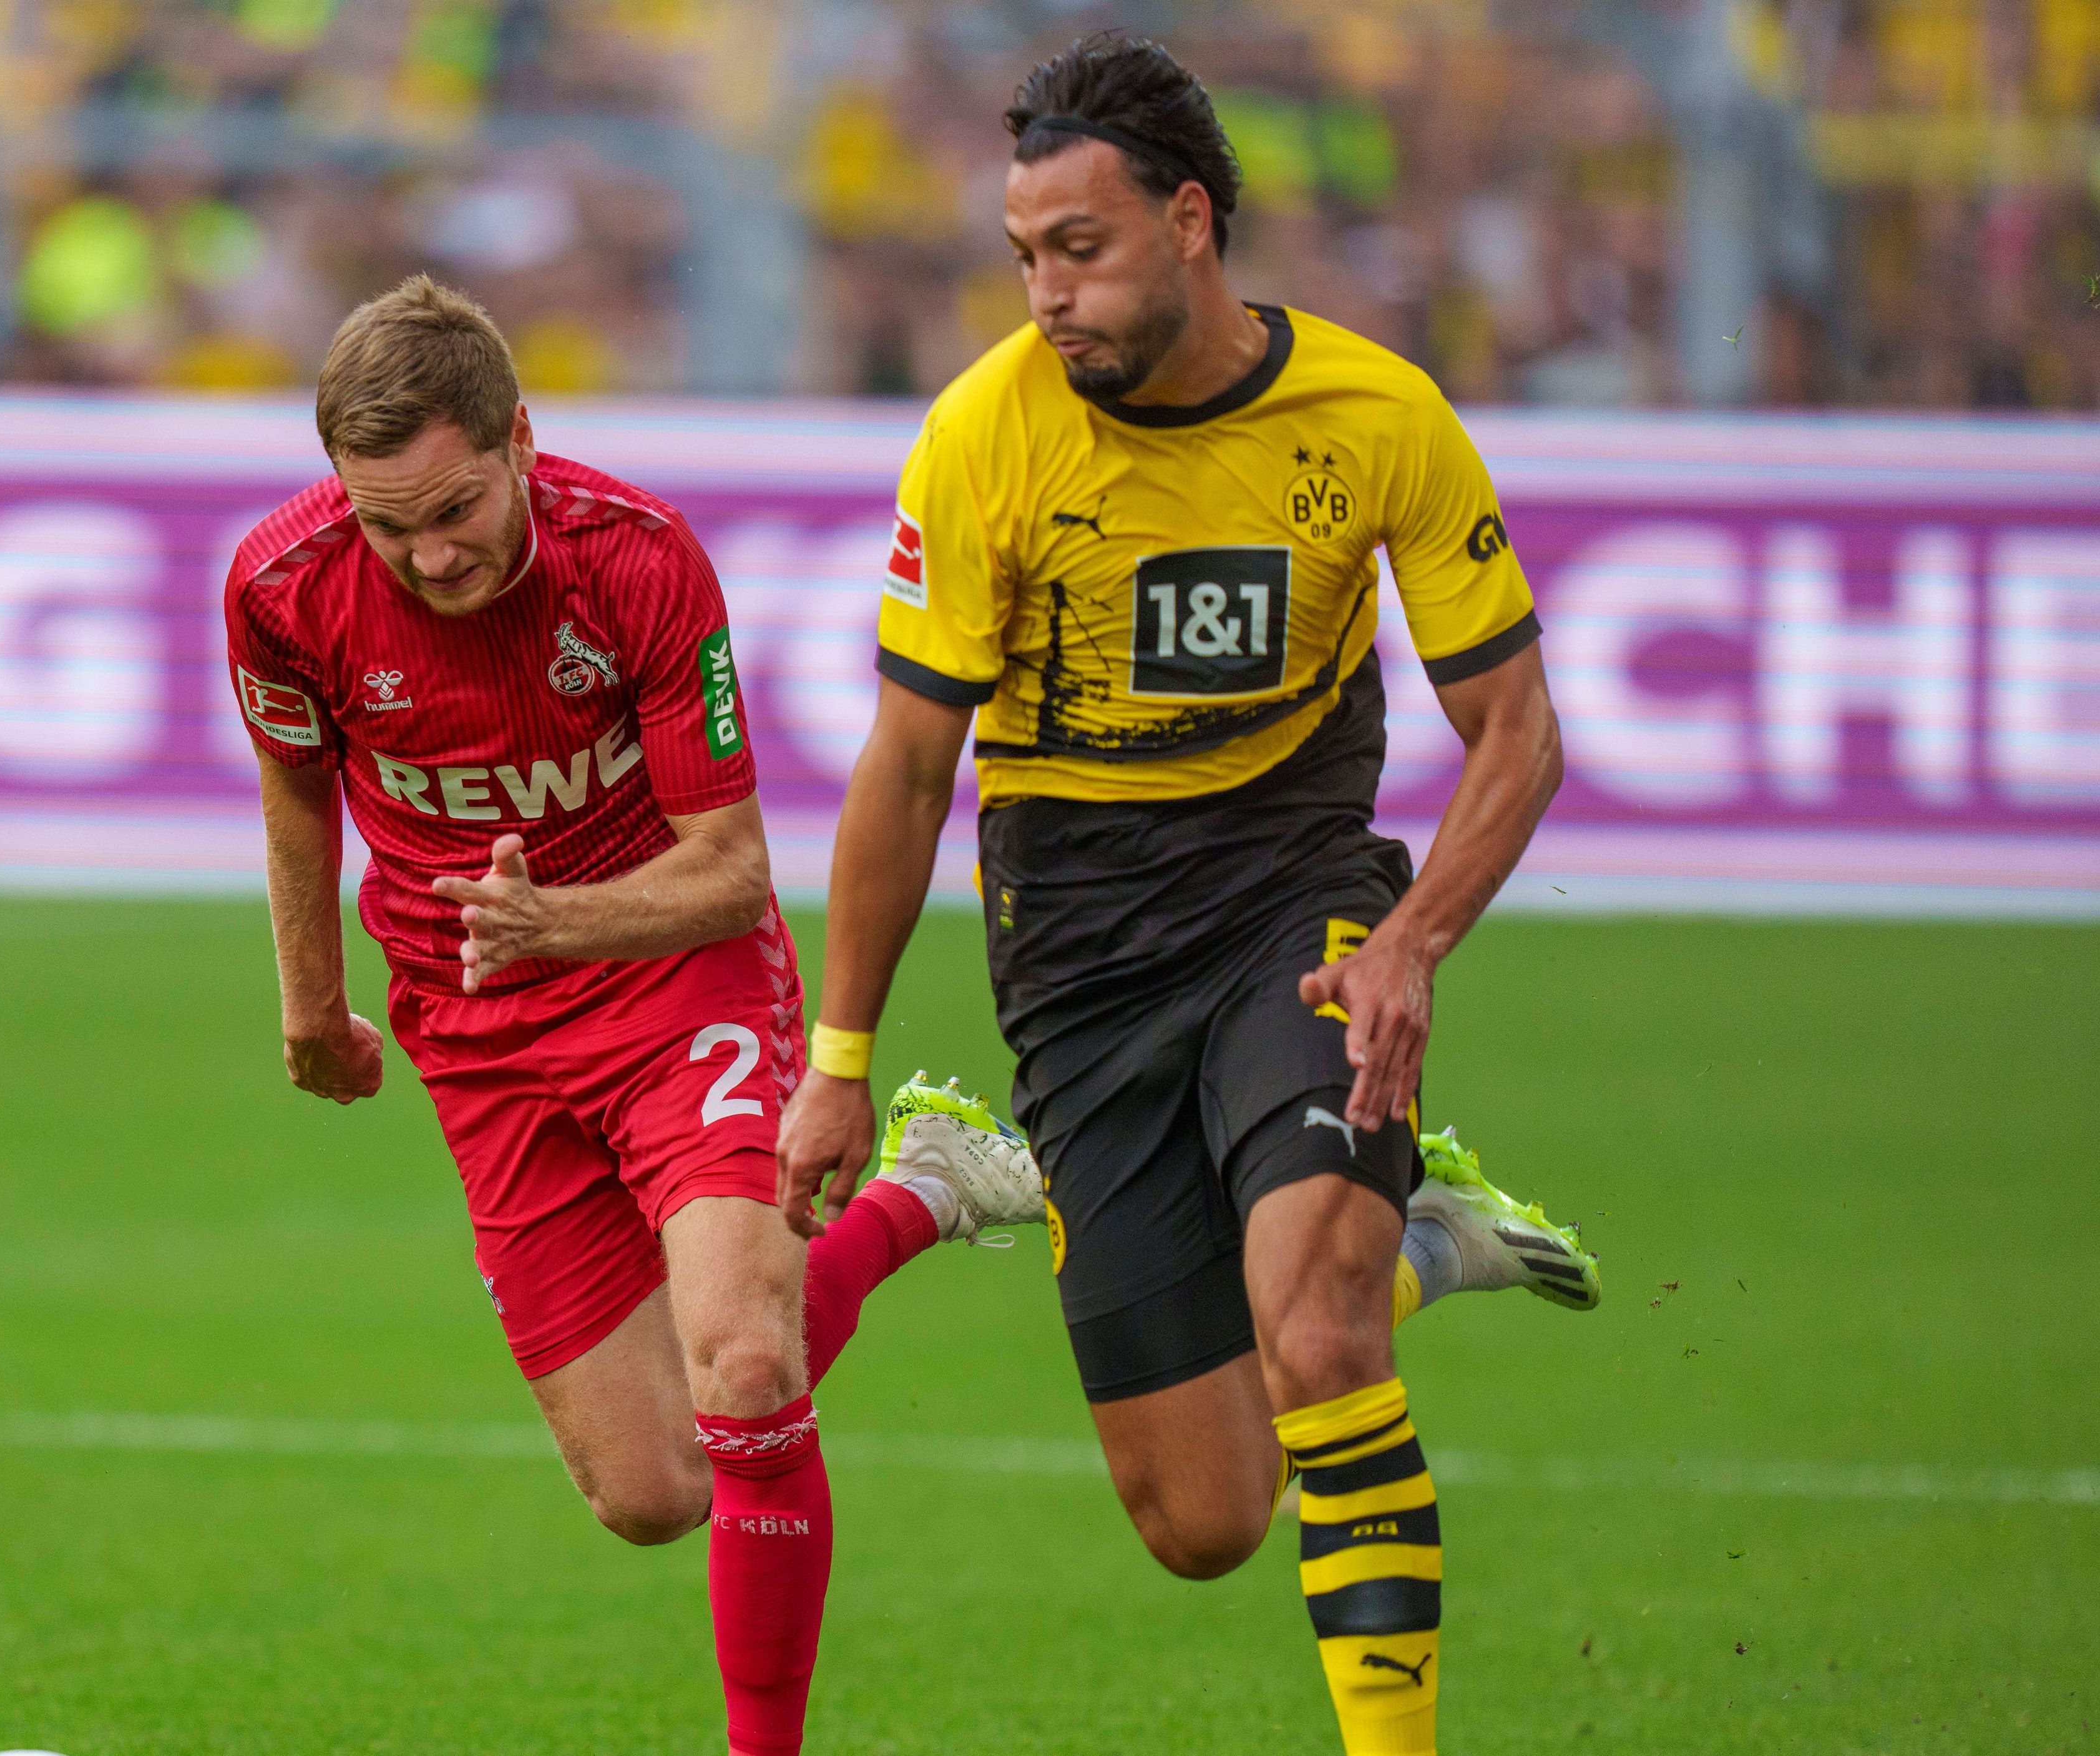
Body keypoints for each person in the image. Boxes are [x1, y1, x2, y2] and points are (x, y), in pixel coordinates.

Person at [773, 33, 1604, 1756]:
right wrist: (838, 1052)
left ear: (1193, 222)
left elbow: (1515, 727)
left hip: (1288, 906)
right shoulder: (984, 435)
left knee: (1309, 1331)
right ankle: (1417, 1246)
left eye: (1079, 249)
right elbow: (909, 770)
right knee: (1207, 1519)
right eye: (1023, 256)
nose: (1045, 293)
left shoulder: (1376, 418)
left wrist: (1410, 940)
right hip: (1077, 964)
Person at [228, 275, 1045, 1756]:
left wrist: (560, 921)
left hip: (676, 982)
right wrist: (311, 1005)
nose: (426, 556)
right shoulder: (282, 588)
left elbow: (733, 878)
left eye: (455, 509)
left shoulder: (641, 563)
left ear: (521, 437)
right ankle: (922, 1194)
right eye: (385, 524)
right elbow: (296, 784)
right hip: (474, 1029)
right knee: (658, 1491)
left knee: (745, 1363)